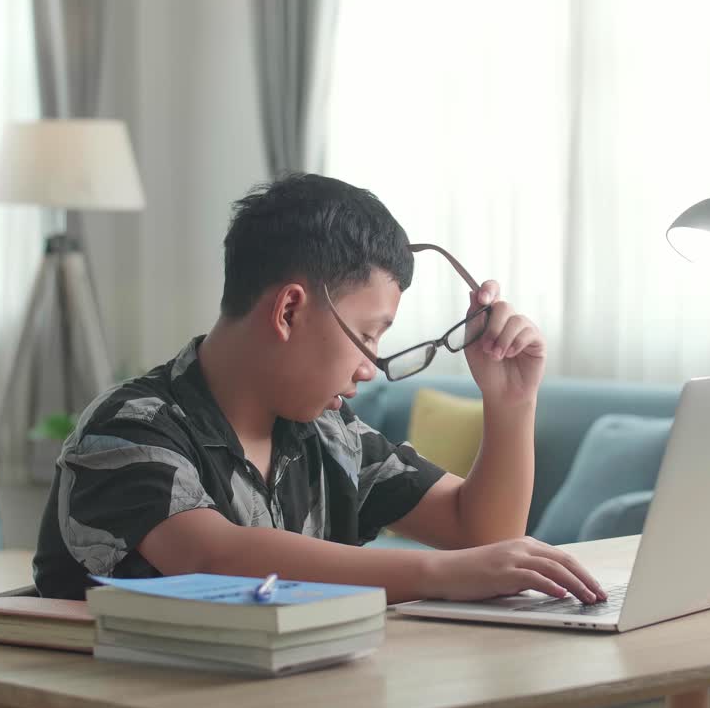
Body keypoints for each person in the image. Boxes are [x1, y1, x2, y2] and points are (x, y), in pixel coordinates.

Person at [33, 174, 606, 605]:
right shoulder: (127, 428)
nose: (371, 365)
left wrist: (510, 402)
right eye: (367, 335)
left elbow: (482, 535)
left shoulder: (330, 435)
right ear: (288, 310)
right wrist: (437, 574)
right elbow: (211, 556)